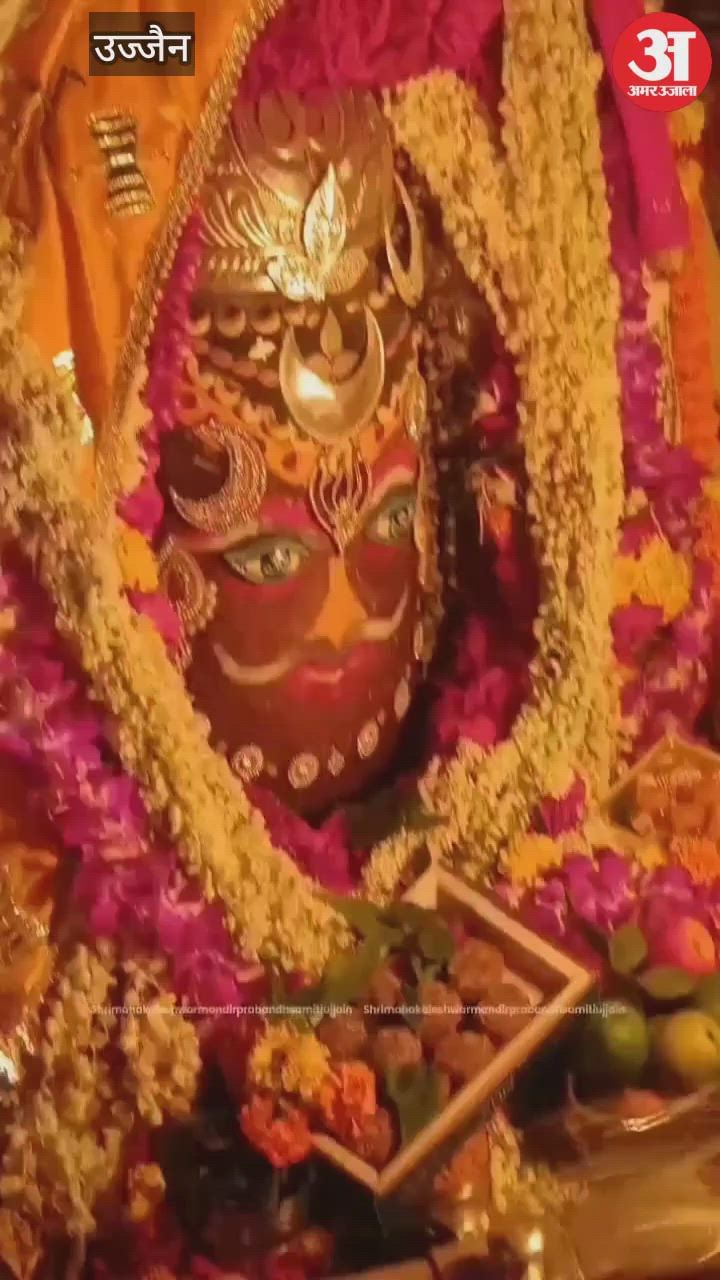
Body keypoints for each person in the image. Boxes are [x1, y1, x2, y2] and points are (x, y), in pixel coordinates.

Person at [0, 0, 717, 1276]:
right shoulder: (124, 54)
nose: (337, 615)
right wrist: (160, 39)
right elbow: (112, 49)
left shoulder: (491, 47)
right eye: (275, 560)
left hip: (464, 816)